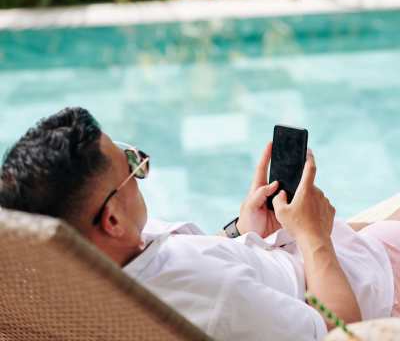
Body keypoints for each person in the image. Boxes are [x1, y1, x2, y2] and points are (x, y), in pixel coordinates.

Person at [0, 107, 399, 341]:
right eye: (132, 167)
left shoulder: (93, 277)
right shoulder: (219, 300)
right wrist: (315, 236)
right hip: (376, 288)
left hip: (320, 257)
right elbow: (343, 333)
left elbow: (189, 267)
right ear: (112, 219)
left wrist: (242, 232)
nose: (140, 167)